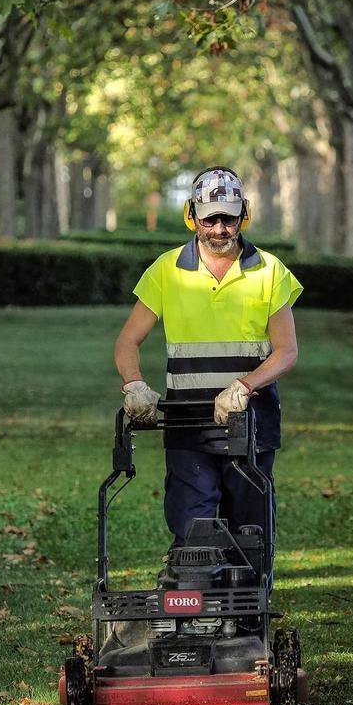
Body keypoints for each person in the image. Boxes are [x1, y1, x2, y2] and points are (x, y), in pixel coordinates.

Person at [113, 165, 303, 555]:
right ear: (192, 216)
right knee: (191, 525)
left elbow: (287, 352)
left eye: (228, 219)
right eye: (210, 218)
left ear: (243, 215)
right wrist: (133, 383)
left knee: (250, 528)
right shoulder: (167, 270)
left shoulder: (269, 271)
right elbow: (127, 341)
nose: (219, 229)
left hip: (251, 423)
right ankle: (195, 602)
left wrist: (245, 385)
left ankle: (248, 608)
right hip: (189, 423)